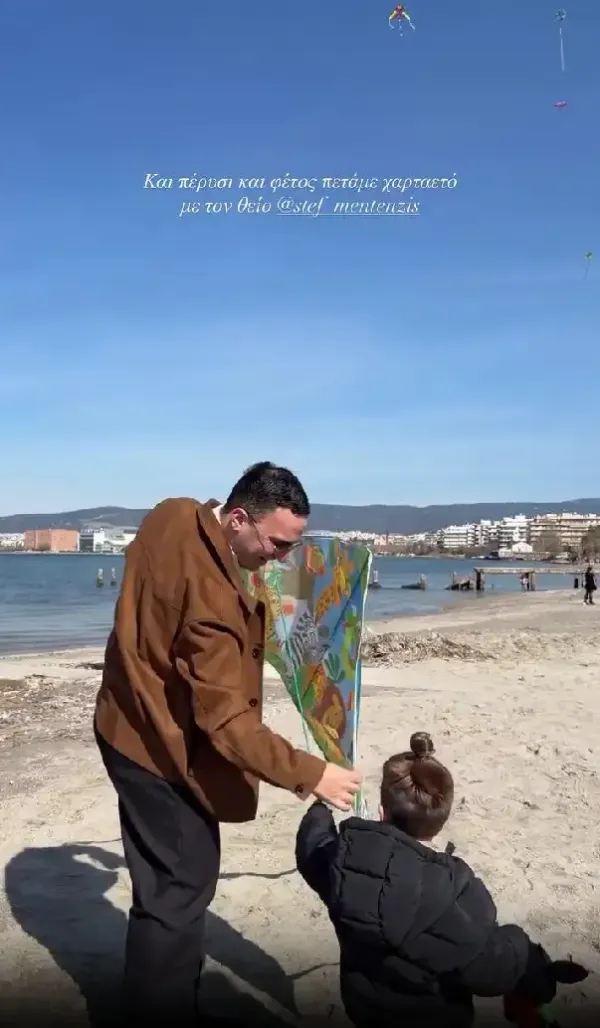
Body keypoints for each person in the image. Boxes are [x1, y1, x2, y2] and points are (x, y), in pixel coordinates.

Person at [94, 461, 361, 1026]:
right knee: (180, 886)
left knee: (165, 877)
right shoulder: (214, 606)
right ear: (238, 518)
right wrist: (312, 773)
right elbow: (229, 725)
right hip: (156, 749)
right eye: (277, 544)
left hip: (120, 718)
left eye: (292, 546)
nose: (281, 558)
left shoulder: (171, 514)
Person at [295, 731, 565, 1028]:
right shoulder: (453, 894)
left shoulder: (344, 863)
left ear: (382, 812)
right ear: (440, 822)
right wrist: (530, 959)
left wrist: (321, 807)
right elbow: (491, 970)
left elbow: (312, 848)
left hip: (365, 1008)